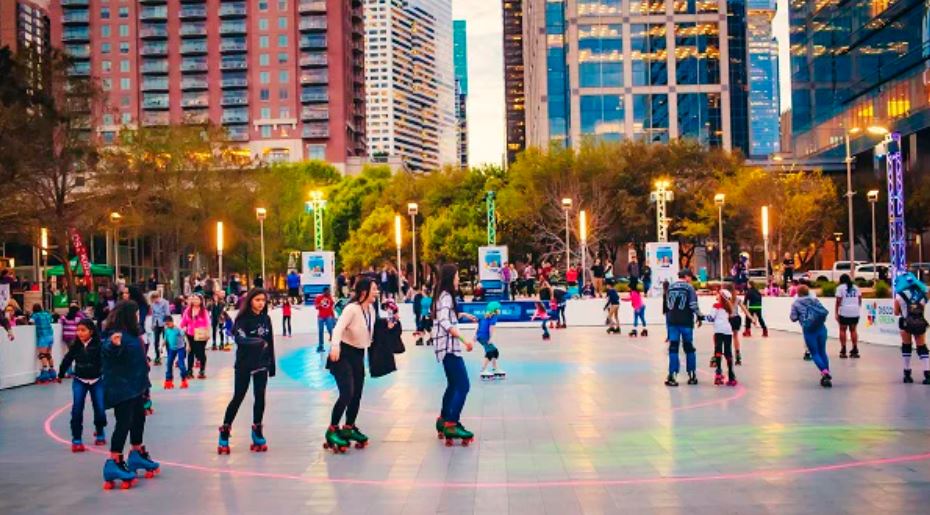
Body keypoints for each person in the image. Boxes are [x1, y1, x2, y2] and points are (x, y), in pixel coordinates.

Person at [100, 301, 160, 489]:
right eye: (135, 314)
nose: (138, 317)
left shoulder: (133, 334)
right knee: (124, 423)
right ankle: (114, 461)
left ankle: (136, 453)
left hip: (137, 386)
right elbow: (107, 351)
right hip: (122, 388)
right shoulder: (116, 335)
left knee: (139, 420)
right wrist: (113, 345)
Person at [323, 278, 378, 453]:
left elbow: (372, 330)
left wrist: (391, 325)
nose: (377, 292)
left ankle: (348, 427)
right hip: (342, 354)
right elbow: (338, 328)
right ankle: (332, 429)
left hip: (358, 355)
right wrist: (335, 346)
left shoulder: (371, 310)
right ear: (364, 292)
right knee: (347, 393)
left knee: (357, 394)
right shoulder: (351, 309)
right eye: (374, 289)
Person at [218, 289, 276, 454]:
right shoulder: (242, 320)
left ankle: (257, 430)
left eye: (263, 300)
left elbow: (270, 341)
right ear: (250, 300)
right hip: (244, 364)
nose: (260, 303)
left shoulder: (266, 319)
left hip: (262, 363)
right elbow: (240, 339)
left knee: (260, 397)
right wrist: (258, 342)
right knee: (238, 397)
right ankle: (225, 431)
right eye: (257, 299)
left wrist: (271, 364)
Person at [432, 264, 477, 446]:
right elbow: (444, 320)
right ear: (451, 278)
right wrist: (465, 339)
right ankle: (451, 422)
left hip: (443, 347)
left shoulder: (442, 296)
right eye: (458, 276)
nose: (459, 280)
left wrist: (462, 314)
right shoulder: (446, 296)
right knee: (463, 385)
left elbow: (446, 314)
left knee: (453, 385)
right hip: (449, 347)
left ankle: (443, 419)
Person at [58, 319, 107, 452]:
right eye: (78, 330)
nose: (79, 333)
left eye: (83, 330)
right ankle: (77, 439)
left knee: (100, 408)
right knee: (77, 409)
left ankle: (100, 430)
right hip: (80, 380)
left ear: (91, 331)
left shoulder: (99, 345)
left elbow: (106, 360)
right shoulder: (76, 345)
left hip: (97, 380)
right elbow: (67, 359)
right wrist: (61, 373)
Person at [665, 270, 703, 387]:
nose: (691, 279)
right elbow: (692, 305)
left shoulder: (670, 287)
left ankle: (672, 375)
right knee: (689, 347)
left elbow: (667, 306)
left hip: (672, 321)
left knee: (673, 348)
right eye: (690, 277)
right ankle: (692, 374)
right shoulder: (689, 288)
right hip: (686, 321)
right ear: (686, 277)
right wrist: (699, 315)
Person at [790, 284, 833, 388]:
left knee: (814, 353)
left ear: (798, 293)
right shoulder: (815, 300)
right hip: (821, 328)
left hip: (809, 330)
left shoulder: (796, 303)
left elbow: (793, 318)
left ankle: (824, 372)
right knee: (822, 351)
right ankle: (826, 373)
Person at [894, 273, 929, 384]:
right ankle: (927, 374)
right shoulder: (922, 295)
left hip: (905, 323)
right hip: (919, 322)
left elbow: (896, 312)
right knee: (922, 347)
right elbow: (921, 310)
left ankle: (907, 374)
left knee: (906, 346)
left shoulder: (899, 295)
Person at [705, 289, 738, 386]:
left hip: (718, 330)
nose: (717, 295)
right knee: (728, 352)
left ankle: (718, 374)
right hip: (728, 331)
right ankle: (731, 375)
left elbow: (711, 318)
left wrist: (701, 317)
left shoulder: (716, 306)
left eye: (718, 294)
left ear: (721, 296)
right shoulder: (729, 306)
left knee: (718, 351)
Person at [181, 293, 210, 379]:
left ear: (201, 301)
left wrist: (208, 333)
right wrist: (183, 327)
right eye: (194, 299)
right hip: (190, 334)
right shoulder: (187, 310)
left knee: (200, 353)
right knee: (190, 352)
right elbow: (183, 322)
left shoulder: (204, 311)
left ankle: (202, 370)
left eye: (197, 299)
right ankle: (189, 371)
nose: (195, 301)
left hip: (201, 335)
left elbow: (208, 323)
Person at [835, 274, 862, 359]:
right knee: (853, 330)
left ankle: (843, 349)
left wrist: (836, 312)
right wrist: (856, 307)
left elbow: (838, 301)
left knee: (842, 329)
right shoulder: (856, 287)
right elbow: (860, 299)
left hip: (844, 311)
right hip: (855, 311)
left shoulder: (840, 288)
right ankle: (855, 348)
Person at [477, 301, 506, 380]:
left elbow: (479, 325)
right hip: (485, 337)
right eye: (499, 309)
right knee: (490, 352)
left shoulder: (485, 316)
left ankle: (495, 368)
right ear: (495, 310)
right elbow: (491, 328)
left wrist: (475, 336)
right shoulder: (493, 317)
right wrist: (490, 338)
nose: (500, 310)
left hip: (480, 336)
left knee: (494, 351)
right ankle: (483, 370)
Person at [31, 304, 56, 383]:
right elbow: (52, 320)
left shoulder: (35, 315)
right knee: (48, 355)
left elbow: (30, 321)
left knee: (43, 355)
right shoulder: (46, 314)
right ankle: (52, 373)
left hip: (43, 336)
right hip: (50, 335)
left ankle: (45, 374)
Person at [161, 316, 188, 390]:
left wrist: (188, 345)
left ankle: (184, 380)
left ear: (172, 322)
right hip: (172, 349)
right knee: (169, 363)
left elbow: (184, 337)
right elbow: (165, 338)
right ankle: (168, 381)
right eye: (166, 324)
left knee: (181, 364)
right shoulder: (167, 330)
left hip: (180, 348)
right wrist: (161, 346)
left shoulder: (178, 329)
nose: (167, 326)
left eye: (168, 324)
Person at [149, 291, 171, 365]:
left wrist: (167, 324)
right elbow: (153, 315)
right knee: (156, 342)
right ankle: (157, 357)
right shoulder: (153, 304)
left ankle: (169, 357)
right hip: (156, 324)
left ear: (157, 297)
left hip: (164, 323)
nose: (154, 301)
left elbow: (167, 313)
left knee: (167, 341)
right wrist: (152, 324)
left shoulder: (165, 302)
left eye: (154, 299)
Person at [315, 286, 336, 353]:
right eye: (328, 291)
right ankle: (321, 346)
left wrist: (333, 316)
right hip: (321, 317)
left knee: (330, 329)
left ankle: (334, 344)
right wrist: (320, 304)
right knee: (320, 331)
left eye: (329, 291)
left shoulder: (329, 298)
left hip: (328, 316)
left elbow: (331, 308)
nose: (329, 292)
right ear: (324, 292)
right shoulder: (318, 298)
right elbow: (316, 307)